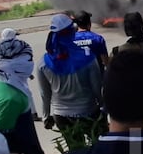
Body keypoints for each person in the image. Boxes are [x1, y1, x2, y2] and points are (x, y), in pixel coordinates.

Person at [38, 14, 104, 147]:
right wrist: (103, 107)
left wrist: (46, 116)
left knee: (76, 153)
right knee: (99, 151)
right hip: (89, 112)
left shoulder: (44, 62)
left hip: (62, 116)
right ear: (72, 31)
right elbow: (97, 88)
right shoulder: (88, 57)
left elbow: (45, 94)